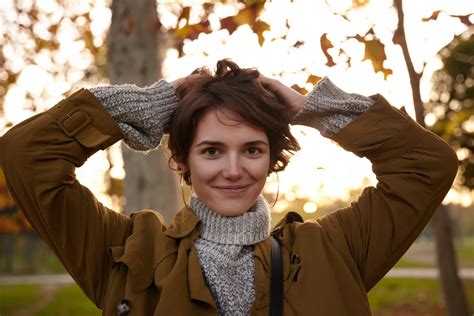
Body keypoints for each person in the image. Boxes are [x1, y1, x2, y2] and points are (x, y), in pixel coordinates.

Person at [0, 59, 457, 315]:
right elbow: (26, 157)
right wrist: (148, 104)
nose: (234, 170)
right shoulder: (125, 251)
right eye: (212, 150)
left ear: (273, 158)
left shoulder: (332, 250)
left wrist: (313, 109)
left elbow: (426, 166)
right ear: (181, 159)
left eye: (253, 150)